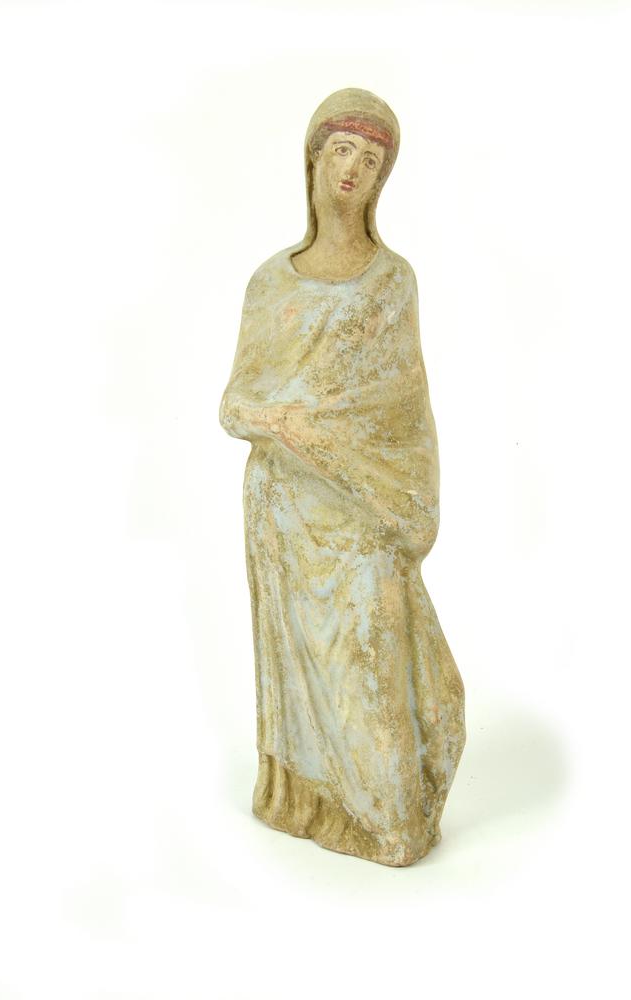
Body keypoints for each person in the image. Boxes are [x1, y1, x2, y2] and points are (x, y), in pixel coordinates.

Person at [219, 87, 466, 867]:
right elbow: (234, 404)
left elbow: (402, 405)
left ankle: (393, 818)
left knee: (377, 669)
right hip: (283, 508)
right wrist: (284, 423)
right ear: (314, 160)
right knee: (300, 670)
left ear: (383, 178)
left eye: (372, 159)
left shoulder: (391, 281)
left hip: (365, 508)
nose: (354, 169)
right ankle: (309, 799)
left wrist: (333, 439)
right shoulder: (271, 283)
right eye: (341, 151)